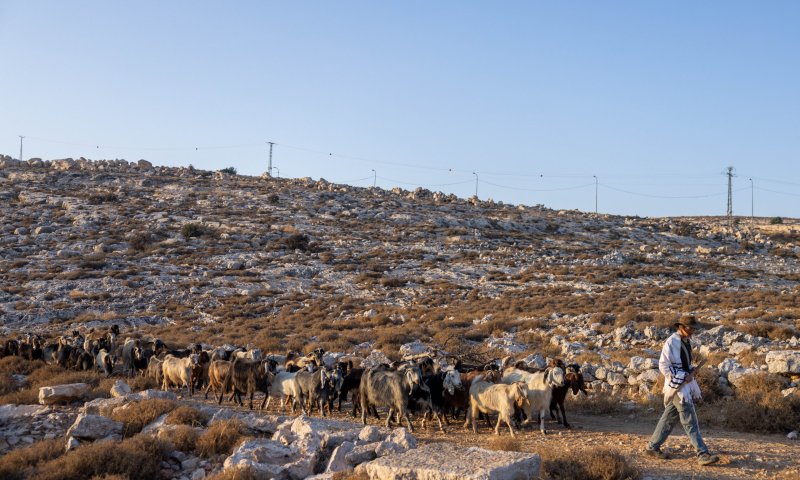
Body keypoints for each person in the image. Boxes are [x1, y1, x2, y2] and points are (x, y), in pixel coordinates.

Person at [645, 317, 720, 466]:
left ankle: (652, 447)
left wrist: (689, 371)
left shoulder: (686, 342)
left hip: (682, 385)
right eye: (691, 328)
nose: (693, 331)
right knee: (689, 420)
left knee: (668, 419)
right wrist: (681, 377)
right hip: (678, 388)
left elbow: (684, 365)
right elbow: (663, 366)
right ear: (682, 327)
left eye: (694, 329)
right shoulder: (672, 342)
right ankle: (702, 453)